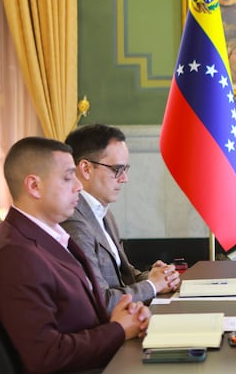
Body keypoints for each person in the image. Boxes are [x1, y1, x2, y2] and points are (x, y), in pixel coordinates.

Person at [0, 137, 151, 373]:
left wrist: (124, 317)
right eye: (68, 177)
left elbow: (78, 313)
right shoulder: (14, 255)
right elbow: (47, 356)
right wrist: (118, 330)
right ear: (34, 186)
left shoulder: (49, 236)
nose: (78, 186)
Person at [62, 124, 180, 312]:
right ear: (85, 168)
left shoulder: (104, 213)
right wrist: (153, 285)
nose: (124, 178)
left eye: (125, 169)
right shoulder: (73, 222)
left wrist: (156, 277)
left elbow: (123, 275)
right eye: (117, 169)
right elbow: (102, 301)